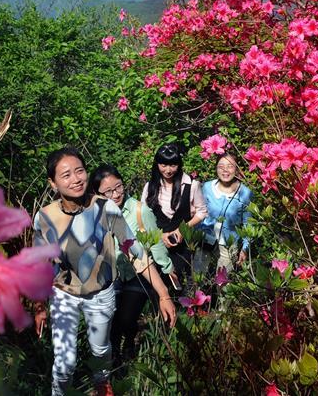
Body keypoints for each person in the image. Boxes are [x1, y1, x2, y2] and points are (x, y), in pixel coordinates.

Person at [33, 147, 176, 396]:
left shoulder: (105, 208)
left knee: (100, 351)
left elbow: (135, 252)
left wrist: (163, 294)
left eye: (79, 171)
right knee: (64, 363)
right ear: (52, 183)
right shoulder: (45, 217)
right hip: (63, 294)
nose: (76, 179)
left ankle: (102, 384)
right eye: (66, 175)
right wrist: (39, 306)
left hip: (100, 293)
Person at [90, 164, 176, 366]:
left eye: (118, 187)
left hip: (139, 274)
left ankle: (129, 343)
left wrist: (168, 268)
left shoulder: (140, 210)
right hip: (112, 274)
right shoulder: (94, 214)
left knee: (127, 317)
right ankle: (115, 360)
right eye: (108, 191)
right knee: (112, 321)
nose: (116, 194)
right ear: (97, 193)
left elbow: (155, 243)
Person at [140, 143, 208, 286]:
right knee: (158, 284)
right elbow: (142, 215)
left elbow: (202, 212)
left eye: (173, 165)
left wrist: (183, 229)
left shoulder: (192, 185)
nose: (168, 170)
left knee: (181, 282)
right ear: (157, 164)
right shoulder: (150, 186)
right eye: (163, 165)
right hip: (157, 245)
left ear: (179, 164)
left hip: (183, 246)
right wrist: (160, 236)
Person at [199, 152, 253, 273]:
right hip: (206, 238)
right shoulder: (207, 187)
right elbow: (199, 212)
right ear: (216, 168)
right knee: (198, 274)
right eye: (221, 166)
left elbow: (248, 223)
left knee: (222, 279)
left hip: (229, 243)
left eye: (230, 166)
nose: (225, 170)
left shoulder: (245, 193)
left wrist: (245, 248)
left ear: (237, 169)